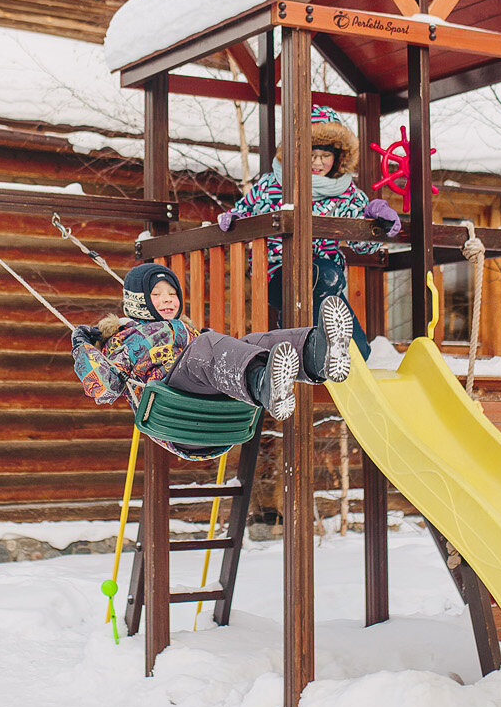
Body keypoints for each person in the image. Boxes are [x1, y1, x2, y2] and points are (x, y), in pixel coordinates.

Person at [71, 264, 353, 453]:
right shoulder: (124, 339)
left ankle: (318, 354)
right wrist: (84, 346)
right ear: (138, 301)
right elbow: (105, 388)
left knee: (250, 343)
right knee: (208, 345)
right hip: (175, 417)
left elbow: (217, 352)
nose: (168, 299)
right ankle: (265, 386)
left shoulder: (189, 330)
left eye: (172, 294)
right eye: (156, 295)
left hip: (215, 413)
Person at [215, 106, 400, 359]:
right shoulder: (273, 184)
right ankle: (316, 350)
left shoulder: (345, 192)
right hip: (278, 272)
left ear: (339, 157)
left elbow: (361, 244)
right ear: (297, 153)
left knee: (358, 348)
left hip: (327, 277)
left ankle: (341, 351)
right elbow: (244, 212)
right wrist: (234, 220)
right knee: (321, 277)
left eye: (325, 155)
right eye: (311, 154)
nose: (317, 162)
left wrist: (374, 221)